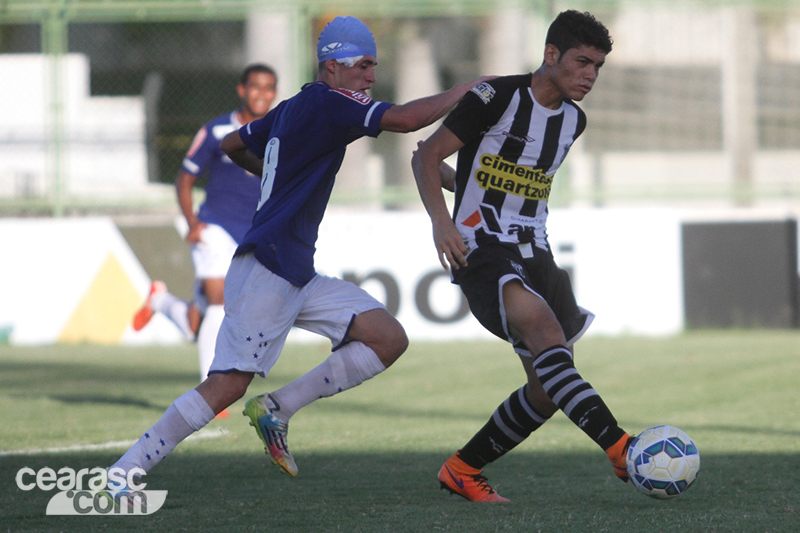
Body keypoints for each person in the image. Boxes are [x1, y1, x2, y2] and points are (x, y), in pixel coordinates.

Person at [105, 16, 490, 500]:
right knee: (226, 386)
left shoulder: (295, 106)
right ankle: (126, 469)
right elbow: (408, 120)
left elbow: (231, 144)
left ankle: (278, 408)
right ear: (333, 66)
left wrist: (274, 174)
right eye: (364, 65)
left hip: (291, 269)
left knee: (387, 338)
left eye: (374, 66)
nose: (371, 76)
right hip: (268, 266)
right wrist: (469, 87)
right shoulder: (330, 103)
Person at [411, 10, 632, 502]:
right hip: (482, 245)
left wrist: (467, 186)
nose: (590, 75)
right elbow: (426, 155)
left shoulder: (573, 122)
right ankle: (620, 448)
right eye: (581, 62)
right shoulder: (496, 98)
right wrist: (443, 223)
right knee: (547, 336)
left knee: (550, 385)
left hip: (536, 249)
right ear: (550, 55)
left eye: (597, 66)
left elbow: (502, 179)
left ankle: (463, 469)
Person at [132, 64, 279, 391]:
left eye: (269, 88)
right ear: (242, 90)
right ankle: (210, 389)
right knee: (218, 303)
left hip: (252, 234)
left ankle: (161, 302)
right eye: (255, 86)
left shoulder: (277, 133)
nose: (262, 93)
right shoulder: (215, 131)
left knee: (196, 324)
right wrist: (193, 223)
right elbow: (185, 179)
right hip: (214, 225)